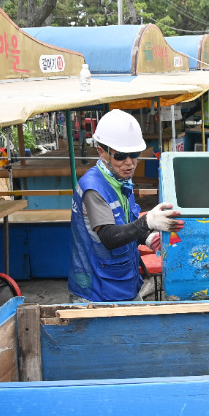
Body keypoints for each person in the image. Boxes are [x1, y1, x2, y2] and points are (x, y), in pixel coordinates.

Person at [69, 110, 184, 303]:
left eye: (134, 154)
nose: (130, 163)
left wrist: (148, 238)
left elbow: (127, 224)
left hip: (121, 283)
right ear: (102, 152)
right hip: (97, 292)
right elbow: (109, 237)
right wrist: (147, 222)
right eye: (121, 155)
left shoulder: (120, 182)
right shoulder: (93, 188)